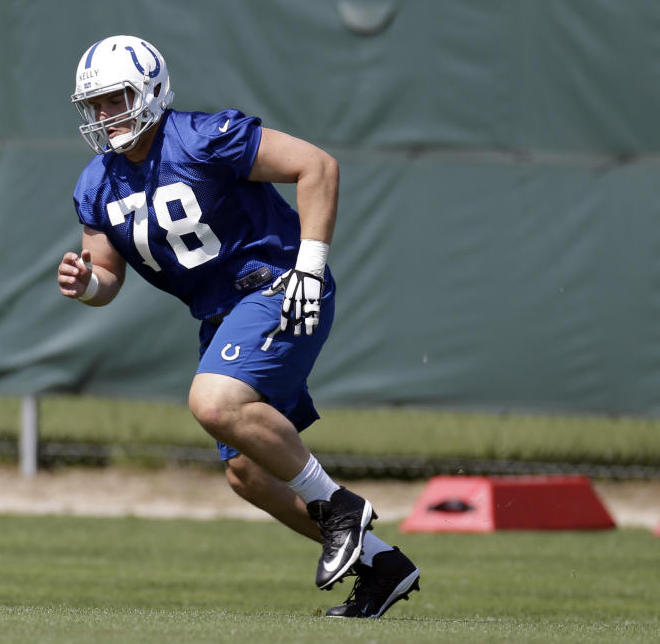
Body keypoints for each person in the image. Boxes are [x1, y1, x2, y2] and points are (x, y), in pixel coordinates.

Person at [57, 35, 420, 618]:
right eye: (95, 104)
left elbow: (316, 166)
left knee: (213, 401)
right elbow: (106, 275)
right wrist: (87, 285)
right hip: (223, 315)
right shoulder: (96, 184)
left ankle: (339, 508)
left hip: (279, 285)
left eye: (116, 98)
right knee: (249, 474)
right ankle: (382, 567)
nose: (105, 115)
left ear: (150, 91)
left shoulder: (202, 137)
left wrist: (310, 264)